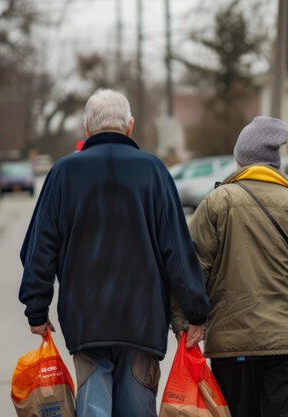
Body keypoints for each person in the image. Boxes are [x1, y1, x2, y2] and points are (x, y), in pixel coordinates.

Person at [19, 88, 209, 417]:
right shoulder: (154, 171)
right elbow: (177, 251)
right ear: (130, 125)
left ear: (87, 128)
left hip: (86, 320)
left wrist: (36, 308)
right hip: (142, 321)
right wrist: (196, 312)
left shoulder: (63, 173)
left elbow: (39, 247)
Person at [173, 116, 288, 417]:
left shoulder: (216, 203)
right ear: (275, 163)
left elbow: (191, 270)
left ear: (241, 160)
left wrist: (185, 325)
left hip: (234, 345)